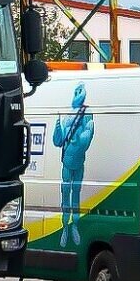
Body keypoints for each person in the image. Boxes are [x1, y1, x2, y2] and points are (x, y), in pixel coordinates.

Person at [52, 82, 94, 247]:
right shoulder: (69, 115)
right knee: (65, 192)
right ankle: (65, 227)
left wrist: (78, 142)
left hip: (79, 161)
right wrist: (57, 128)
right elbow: (58, 141)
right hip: (66, 162)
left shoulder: (87, 113)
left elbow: (88, 135)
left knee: (75, 193)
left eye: (79, 90)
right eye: (76, 90)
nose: (77, 93)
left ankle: (74, 225)